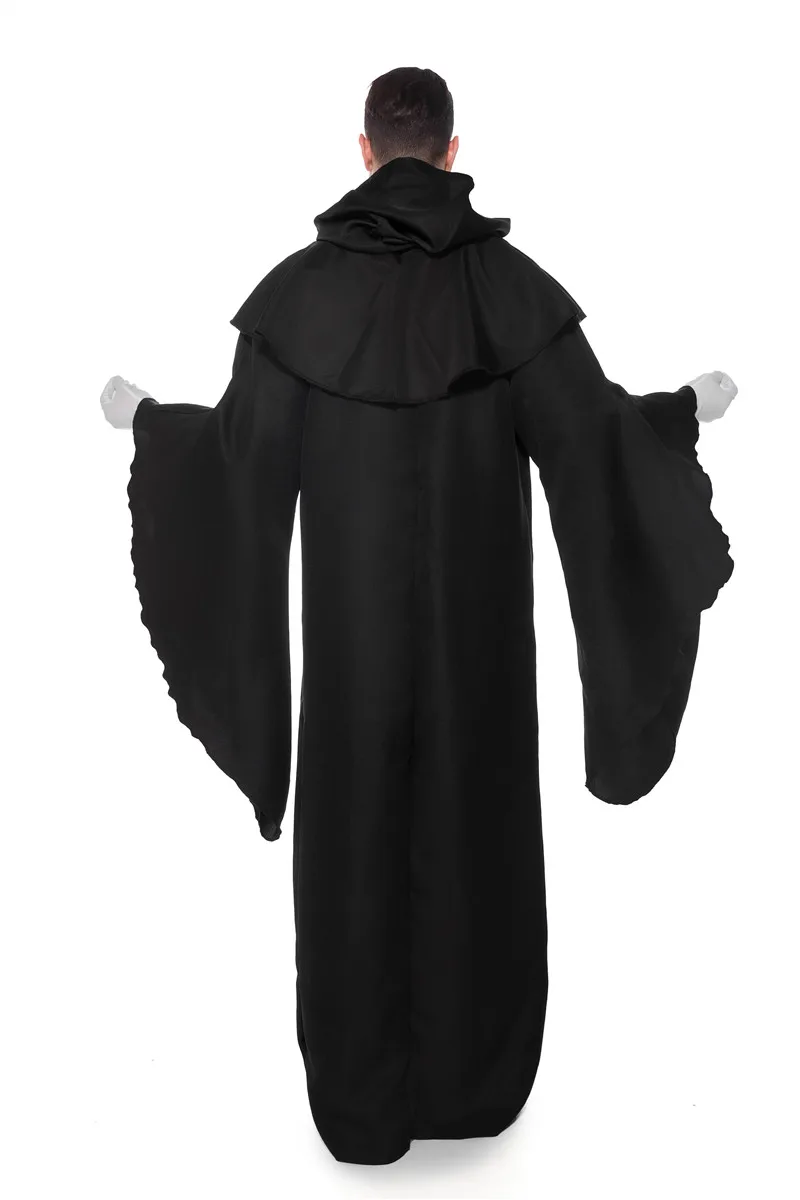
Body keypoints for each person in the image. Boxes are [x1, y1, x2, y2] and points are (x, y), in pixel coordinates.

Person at [101, 66, 736, 1166]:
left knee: (352, 848)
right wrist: (682, 411)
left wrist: (150, 424)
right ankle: (476, 1090)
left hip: (349, 657)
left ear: (362, 152)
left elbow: (239, 462)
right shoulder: (512, 293)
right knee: (476, 830)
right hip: (480, 652)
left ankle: (360, 1102)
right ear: (451, 151)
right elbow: (592, 443)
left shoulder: (297, 298)